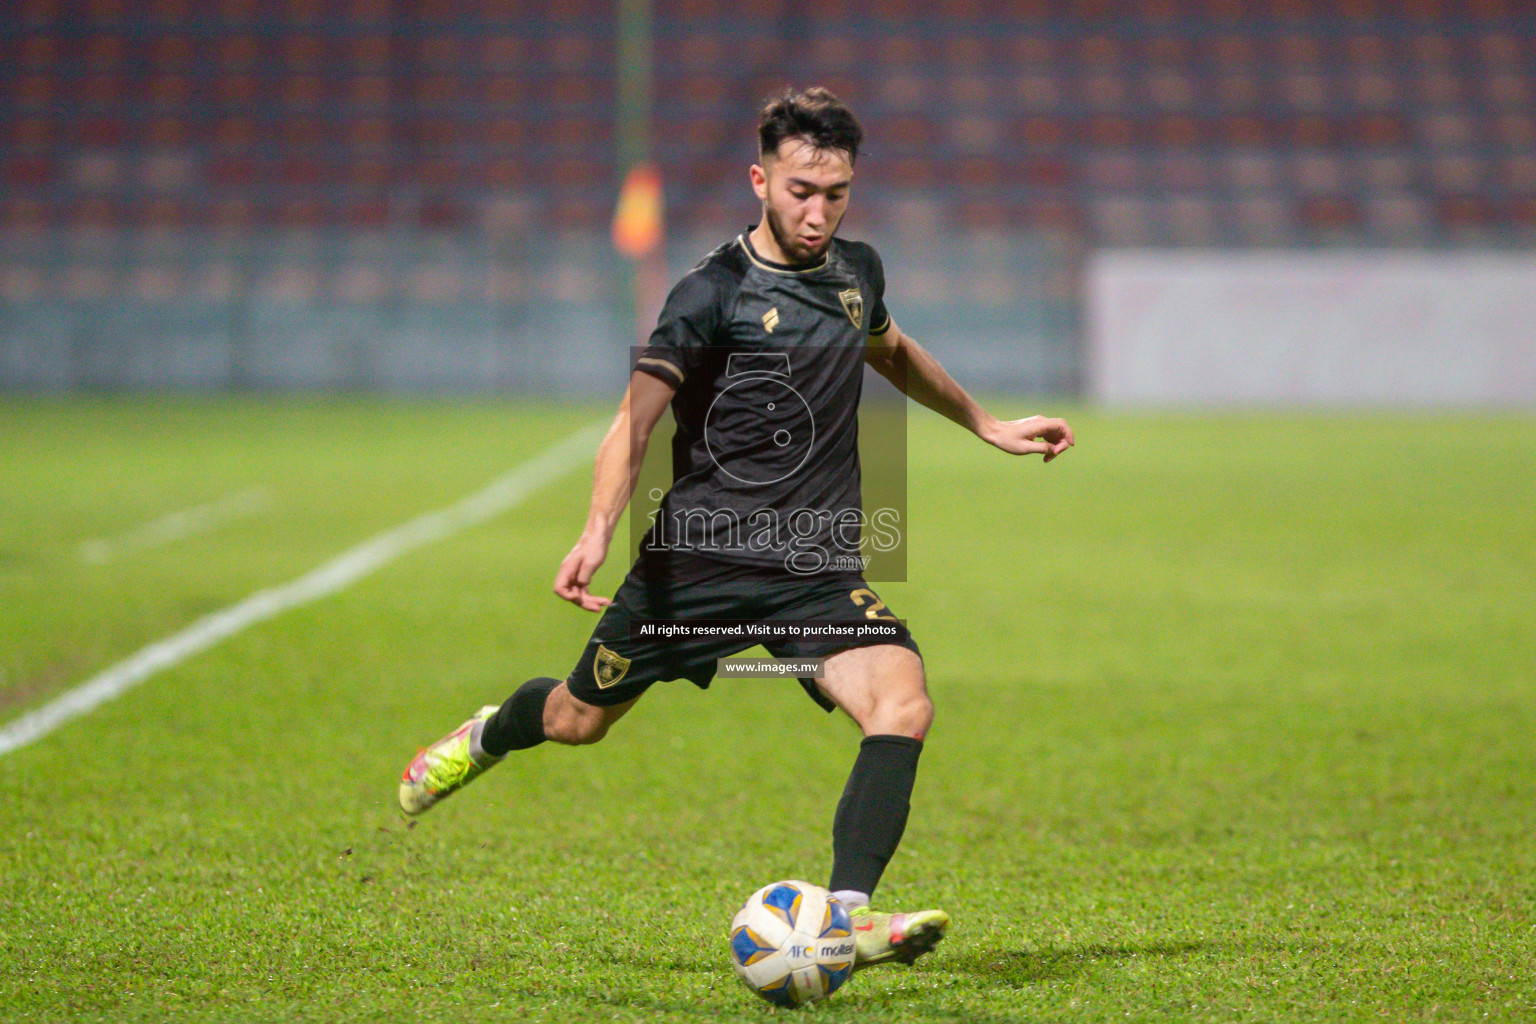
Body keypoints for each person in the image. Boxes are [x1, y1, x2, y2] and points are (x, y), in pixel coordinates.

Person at [398, 87, 1074, 970]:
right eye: (799, 190)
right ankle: (488, 734)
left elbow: (893, 349)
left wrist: (986, 423)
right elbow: (633, 423)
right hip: (696, 569)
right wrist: (598, 528)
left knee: (903, 705)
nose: (817, 212)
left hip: (815, 571)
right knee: (576, 721)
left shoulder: (855, 273)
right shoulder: (709, 293)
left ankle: (848, 915)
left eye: (835, 193)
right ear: (760, 180)